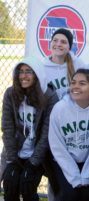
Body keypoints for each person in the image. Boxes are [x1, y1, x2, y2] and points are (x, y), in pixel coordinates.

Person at [1, 56, 59, 201]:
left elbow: (47, 133)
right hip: (15, 151)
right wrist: (12, 160)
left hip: (39, 153)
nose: (23, 76)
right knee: (10, 184)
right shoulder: (11, 93)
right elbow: (7, 128)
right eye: (20, 72)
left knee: (27, 186)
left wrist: (33, 162)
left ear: (37, 74)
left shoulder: (49, 96)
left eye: (29, 72)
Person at [48, 69, 89, 201]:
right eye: (73, 82)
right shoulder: (59, 108)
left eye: (82, 83)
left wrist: (86, 175)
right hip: (65, 161)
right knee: (70, 195)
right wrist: (75, 177)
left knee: (88, 194)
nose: (76, 86)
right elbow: (57, 146)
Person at [43, 28, 86, 99]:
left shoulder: (78, 64)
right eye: (55, 40)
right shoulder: (42, 67)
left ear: (69, 47)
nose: (58, 44)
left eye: (63, 42)